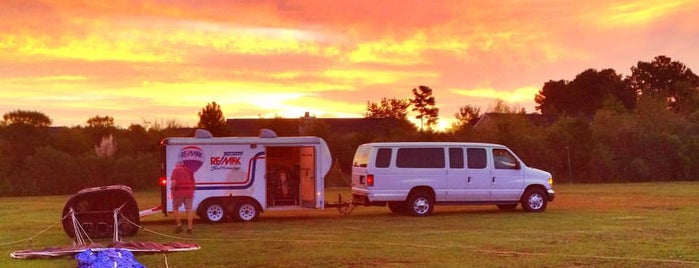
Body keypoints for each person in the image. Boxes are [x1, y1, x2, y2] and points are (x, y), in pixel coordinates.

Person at [171, 161, 195, 234]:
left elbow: (174, 182)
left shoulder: (175, 170)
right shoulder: (189, 170)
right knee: (189, 210)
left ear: (178, 165)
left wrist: (172, 191)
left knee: (175, 208)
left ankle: (179, 225)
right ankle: (189, 228)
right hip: (189, 192)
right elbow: (193, 181)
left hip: (179, 192)